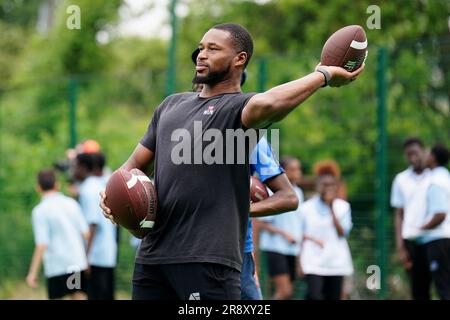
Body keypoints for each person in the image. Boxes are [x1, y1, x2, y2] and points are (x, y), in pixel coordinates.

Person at [100, 23, 364, 300]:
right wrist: (111, 194)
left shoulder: (239, 109)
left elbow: (270, 103)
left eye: (213, 49)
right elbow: (131, 167)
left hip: (209, 260)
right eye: (201, 48)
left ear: (240, 59)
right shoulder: (170, 106)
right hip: (153, 259)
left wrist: (322, 75)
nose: (202, 54)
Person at [191, 47, 298, 300]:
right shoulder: (175, 127)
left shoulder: (250, 138)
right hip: (183, 250)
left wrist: (238, 208)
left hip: (232, 252)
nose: (201, 89)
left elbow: (288, 197)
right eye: (199, 84)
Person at [26, 169, 89, 300]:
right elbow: (86, 233)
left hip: (56, 266)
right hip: (75, 263)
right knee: (77, 295)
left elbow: (42, 244)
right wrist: (87, 258)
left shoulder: (40, 211)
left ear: (38, 187)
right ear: (57, 184)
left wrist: (32, 273)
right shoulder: (71, 203)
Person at [300, 160, 353, 300]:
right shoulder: (306, 208)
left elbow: (342, 233)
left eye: (331, 185)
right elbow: (300, 234)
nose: (327, 188)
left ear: (336, 187)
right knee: (314, 296)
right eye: (324, 185)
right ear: (318, 186)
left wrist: (331, 208)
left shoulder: (343, 207)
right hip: (312, 262)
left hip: (336, 263)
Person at [255, 156, 304, 300]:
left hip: (292, 249)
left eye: (298, 169)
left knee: (289, 293)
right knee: (284, 292)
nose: (298, 173)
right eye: (293, 169)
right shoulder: (273, 194)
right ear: (283, 172)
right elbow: (260, 223)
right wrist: (283, 234)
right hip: (275, 248)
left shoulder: (298, 193)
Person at [390, 137, 432, 299]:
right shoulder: (401, 180)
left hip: (436, 240)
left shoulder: (437, 175)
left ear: (424, 151)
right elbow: (399, 215)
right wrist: (401, 247)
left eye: (415, 152)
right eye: (409, 154)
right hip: (412, 240)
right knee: (418, 288)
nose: (413, 157)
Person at [74, 153, 117, 300]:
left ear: (83, 167)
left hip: (96, 256)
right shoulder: (99, 185)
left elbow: (92, 224)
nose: (72, 170)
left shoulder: (87, 189)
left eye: (75, 166)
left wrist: (85, 256)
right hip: (107, 253)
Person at [421, 143, 450, 299]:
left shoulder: (436, 181)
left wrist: (421, 228)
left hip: (439, 239)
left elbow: (440, 215)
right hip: (445, 237)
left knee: (443, 287)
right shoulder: (445, 177)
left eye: (427, 152)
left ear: (432, 157)